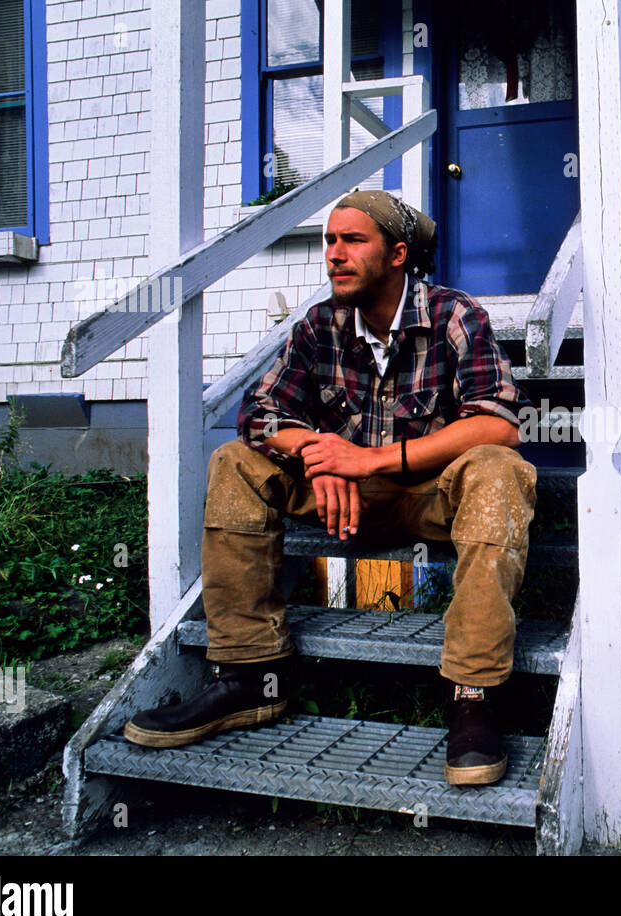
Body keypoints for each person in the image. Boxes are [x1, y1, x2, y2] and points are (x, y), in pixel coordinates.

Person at [124, 190, 536, 787]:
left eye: (352, 240)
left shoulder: (453, 315)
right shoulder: (321, 324)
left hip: (428, 500)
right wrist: (322, 458)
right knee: (236, 462)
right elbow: (260, 412)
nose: (334, 254)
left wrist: (369, 461)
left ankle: (473, 693)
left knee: (499, 469)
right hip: (341, 499)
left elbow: (498, 421)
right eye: (329, 240)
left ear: (397, 254)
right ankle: (247, 677)